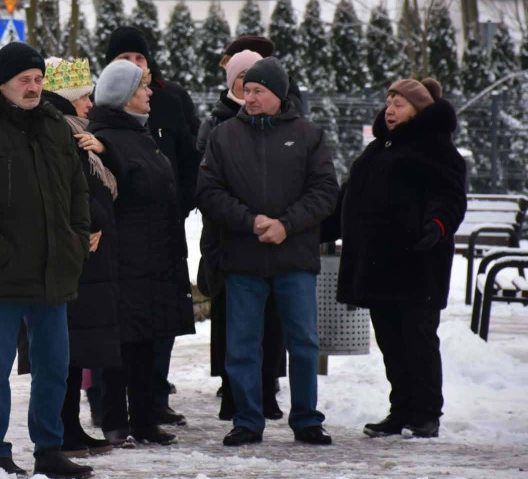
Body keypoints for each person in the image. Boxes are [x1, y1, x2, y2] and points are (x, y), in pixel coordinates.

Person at [0, 42, 93, 479]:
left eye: (37, 79)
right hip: (3, 272)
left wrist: (76, 238)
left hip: (53, 268)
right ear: (2, 84)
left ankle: (49, 449)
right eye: (23, 81)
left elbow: (77, 190)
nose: (33, 88)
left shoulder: (54, 126)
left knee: (53, 366)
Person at [196, 57, 339, 447]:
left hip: (294, 259)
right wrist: (251, 221)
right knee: (242, 344)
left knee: (304, 342)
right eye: (247, 89)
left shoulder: (309, 135)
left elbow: (325, 192)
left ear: (279, 95)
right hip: (242, 259)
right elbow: (208, 192)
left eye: (259, 90)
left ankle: (307, 419)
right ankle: (247, 420)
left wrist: (285, 225)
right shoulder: (223, 136)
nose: (250, 96)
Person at [332, 78, 466, 439]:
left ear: (419, 110)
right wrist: (318, 230)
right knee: (390, 340)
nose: (390, 109)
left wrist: (436, 226)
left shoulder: (436, 149)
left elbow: (450, 197)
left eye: (400, 104)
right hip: (378, 266)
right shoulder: (377, 150)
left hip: (418, 265)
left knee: (418, 339)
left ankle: (426, 413)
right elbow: (349, 199)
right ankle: (401, 408)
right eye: (389, 101)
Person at [87, 59, 192, 448]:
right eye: (141, 88)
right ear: (123, 96)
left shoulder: (140, 133)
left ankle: (146, 419)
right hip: (123, 258)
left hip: (155, 256)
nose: (150, 93)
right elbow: (117, 190)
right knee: (120, 345)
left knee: (147, 341)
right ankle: (115, 420)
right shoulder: (103, 136)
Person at [104, 26, 199, 426]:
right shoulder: (107, 134)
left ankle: (149, 406)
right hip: (130, 251)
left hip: (161, 241)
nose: (145, 85)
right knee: (127, 335)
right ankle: (118, 414)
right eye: (125, 61)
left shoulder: (165, 108)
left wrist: (177, 208)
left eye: (140, 59)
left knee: (155, 330)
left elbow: (188, 164)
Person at [197, 44, 286, 422]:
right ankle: (231, 389)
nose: (247, 92)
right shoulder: (216, 123)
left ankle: (268, 388)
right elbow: (206, 181)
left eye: (254, 84)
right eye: (241, 82)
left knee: (271, 319)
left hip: (272, 238)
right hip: (227, 236)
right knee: (230, 319)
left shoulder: (286, 122)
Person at [41, 57, 119, 458]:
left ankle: (69, 427)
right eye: (84, 97)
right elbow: (75, 191)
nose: (91, 104)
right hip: (76, 257)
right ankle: (63, 429)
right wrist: (93, 220)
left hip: (86, 259)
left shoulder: (80, 135)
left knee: (74, 353)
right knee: (65, 352)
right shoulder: (63, 135)